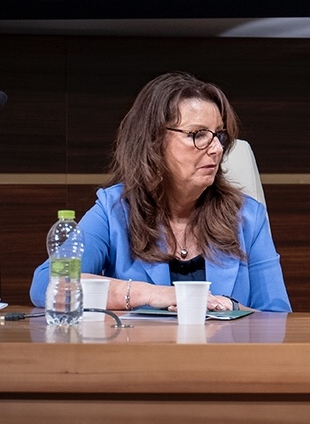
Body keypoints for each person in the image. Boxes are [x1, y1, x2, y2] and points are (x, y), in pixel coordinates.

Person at [30, 72, 291, 313]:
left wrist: (231, 308)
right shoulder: (114, 211)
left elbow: (277, 316)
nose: (216, 149)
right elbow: (48, 284)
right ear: (154, 141)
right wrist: (149, 294)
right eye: (198, 134)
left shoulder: (246, 217)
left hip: (226, 359)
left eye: (219, 136)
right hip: (140, 361)